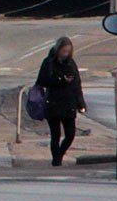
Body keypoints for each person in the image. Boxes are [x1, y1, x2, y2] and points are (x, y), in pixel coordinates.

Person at [36, 36, 86, 167]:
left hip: (68, 103)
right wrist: (60, 79)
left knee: (70, 134)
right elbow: (42, 81)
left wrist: (80, 103)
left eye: (68, 52)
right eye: (63, 51)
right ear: (58, 50)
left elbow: (77, 84)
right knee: (55, 134)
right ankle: (56, 160)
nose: (65, 54)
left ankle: (59, 154)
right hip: (53, 103)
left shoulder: (71, 63)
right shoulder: (49, 62)